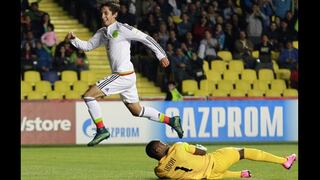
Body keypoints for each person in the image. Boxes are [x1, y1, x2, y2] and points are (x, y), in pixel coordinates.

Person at [66, 0, 184, 147]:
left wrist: (161, 55)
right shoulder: (102, 32)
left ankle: (101, 129)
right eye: (102, 13)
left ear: (115, 14)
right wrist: (74, 40)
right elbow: (88, 46)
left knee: (89, 95)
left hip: (122, 75)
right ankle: (172, 121)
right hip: (127, 76)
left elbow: (145, 38)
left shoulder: (123, 28)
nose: (103, 16)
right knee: (137, 110)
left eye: (106, 13)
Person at [146, 140, 296, 179]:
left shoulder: (159, 172)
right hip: (214, 162)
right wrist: (199, 147)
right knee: (243, 152)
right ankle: (284, 161)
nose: (164, 143)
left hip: (207, 177)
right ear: (159, 148)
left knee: (215, 173)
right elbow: (202, 152)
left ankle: (241, 175)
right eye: (161, 143)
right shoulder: (178, 147)